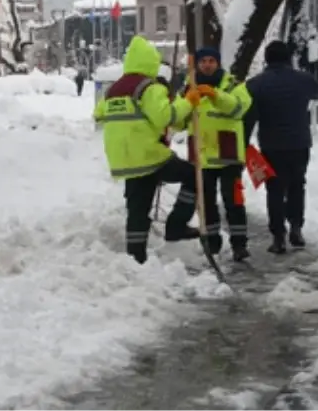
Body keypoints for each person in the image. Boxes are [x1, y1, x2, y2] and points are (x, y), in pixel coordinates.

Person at [94, 36, 202, 265]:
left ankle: (136, 258)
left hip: (123, 159)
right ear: (151, 62)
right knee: (193, 176)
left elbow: (99, 115)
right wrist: (188, 101)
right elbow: (166, 116)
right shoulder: (149, 87)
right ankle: (176, 226)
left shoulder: (114, 89)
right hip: (149, 156)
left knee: (138, 209)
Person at [244, 40, 318, 254]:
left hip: (272, 145)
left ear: (267, 59)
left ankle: (278, 236)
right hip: (299, 142)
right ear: (289, 58)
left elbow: (248, 114)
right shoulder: (304, 80)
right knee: (297, 184)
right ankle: (296, 227)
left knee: (275, 189)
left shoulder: (256, 84)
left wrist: (243, 143)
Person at [180, 46, 253, 262]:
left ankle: (239, 244)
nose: (207, 64)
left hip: (227, 153)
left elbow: (239, 109)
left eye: (212, 60)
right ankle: (212, 241)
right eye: (203, 61)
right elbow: (178, 120)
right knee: (207, 202)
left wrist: (215, 95)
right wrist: (184, 104)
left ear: (218, 63)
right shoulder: (188, 87)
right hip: (201, 155)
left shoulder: (233, 86)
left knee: (234, 201)